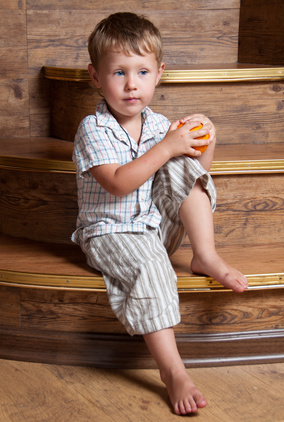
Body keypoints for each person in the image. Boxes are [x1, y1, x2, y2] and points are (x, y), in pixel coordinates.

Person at [72, 12, 248, 416]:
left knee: (185, 163)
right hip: (110, 232)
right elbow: (118, 182)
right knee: (153, 266)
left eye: (142, 71)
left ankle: (205, 253)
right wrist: (169, 147)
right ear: (96, 77)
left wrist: (204, 139)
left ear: (159, 74)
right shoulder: (93, 128)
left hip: (153, 225)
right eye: (118, 72)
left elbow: (195, 174)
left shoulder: (161, 126)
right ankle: (173, 371)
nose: (131, 83)